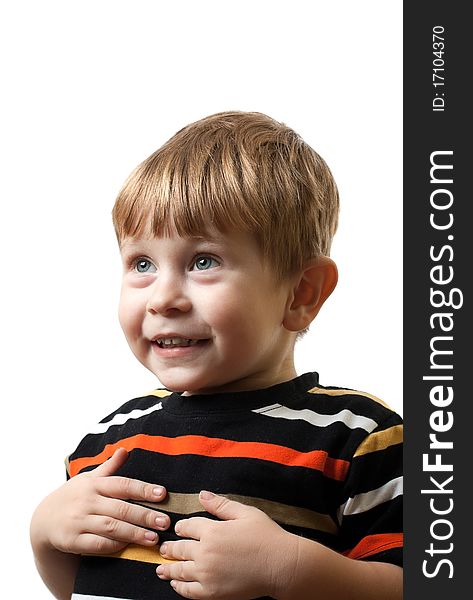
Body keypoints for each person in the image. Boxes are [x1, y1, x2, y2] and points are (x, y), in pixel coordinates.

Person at [30, 111, 403, 600]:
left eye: (203, 261)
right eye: (142, 264)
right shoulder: (105, 444)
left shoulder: (359, 439)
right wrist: (44, 538)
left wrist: (292, 570)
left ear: (301, 294)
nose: (163, 298)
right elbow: (84, 587)